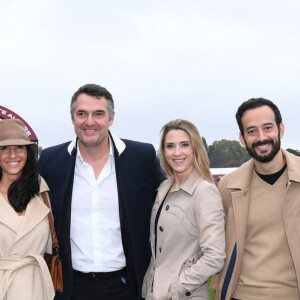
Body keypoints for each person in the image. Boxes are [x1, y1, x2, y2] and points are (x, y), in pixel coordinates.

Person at [39, 83, 166, 300]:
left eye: (98, 114)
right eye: (82, 114)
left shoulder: (141, 157)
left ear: (111, 118)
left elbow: (170, 203)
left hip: (127, 286)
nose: (90, 122)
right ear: (72, 118)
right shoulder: (51, 161)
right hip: (71, 288)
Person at [210, 98, 300, 300]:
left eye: (267, 128)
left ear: (281, 129)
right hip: (242, 294)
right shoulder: (228, 187)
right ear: (242, 138)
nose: (261, 137)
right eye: (252, 131)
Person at [142, 119, 226, 300]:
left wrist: (175, 289)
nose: (177, 153)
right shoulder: (163, 188)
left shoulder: (204, 191)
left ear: (195, 148)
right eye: (170, 146)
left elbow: (215, 256)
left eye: (184, 145)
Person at [0, 119, 54, 300]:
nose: (12, 155)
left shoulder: (43, 193)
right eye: (4, 148)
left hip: (37, 289)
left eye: (19, 147)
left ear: (28, 153)